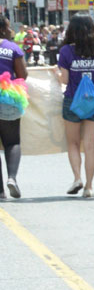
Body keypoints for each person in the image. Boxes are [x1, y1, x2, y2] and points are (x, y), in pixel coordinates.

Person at [56, 15, 94, 198]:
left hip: (73, 100)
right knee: (90, 145)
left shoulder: (66, 51)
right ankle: (89, 186)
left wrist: (54, 74)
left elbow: (64, 79)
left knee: (73, 143)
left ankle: (77, 178)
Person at [0, 17, 27, 198]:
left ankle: (0, 191)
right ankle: (12, 178)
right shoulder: (12, 48)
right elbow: (22, 74)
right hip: (7, 97)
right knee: (12, 141)